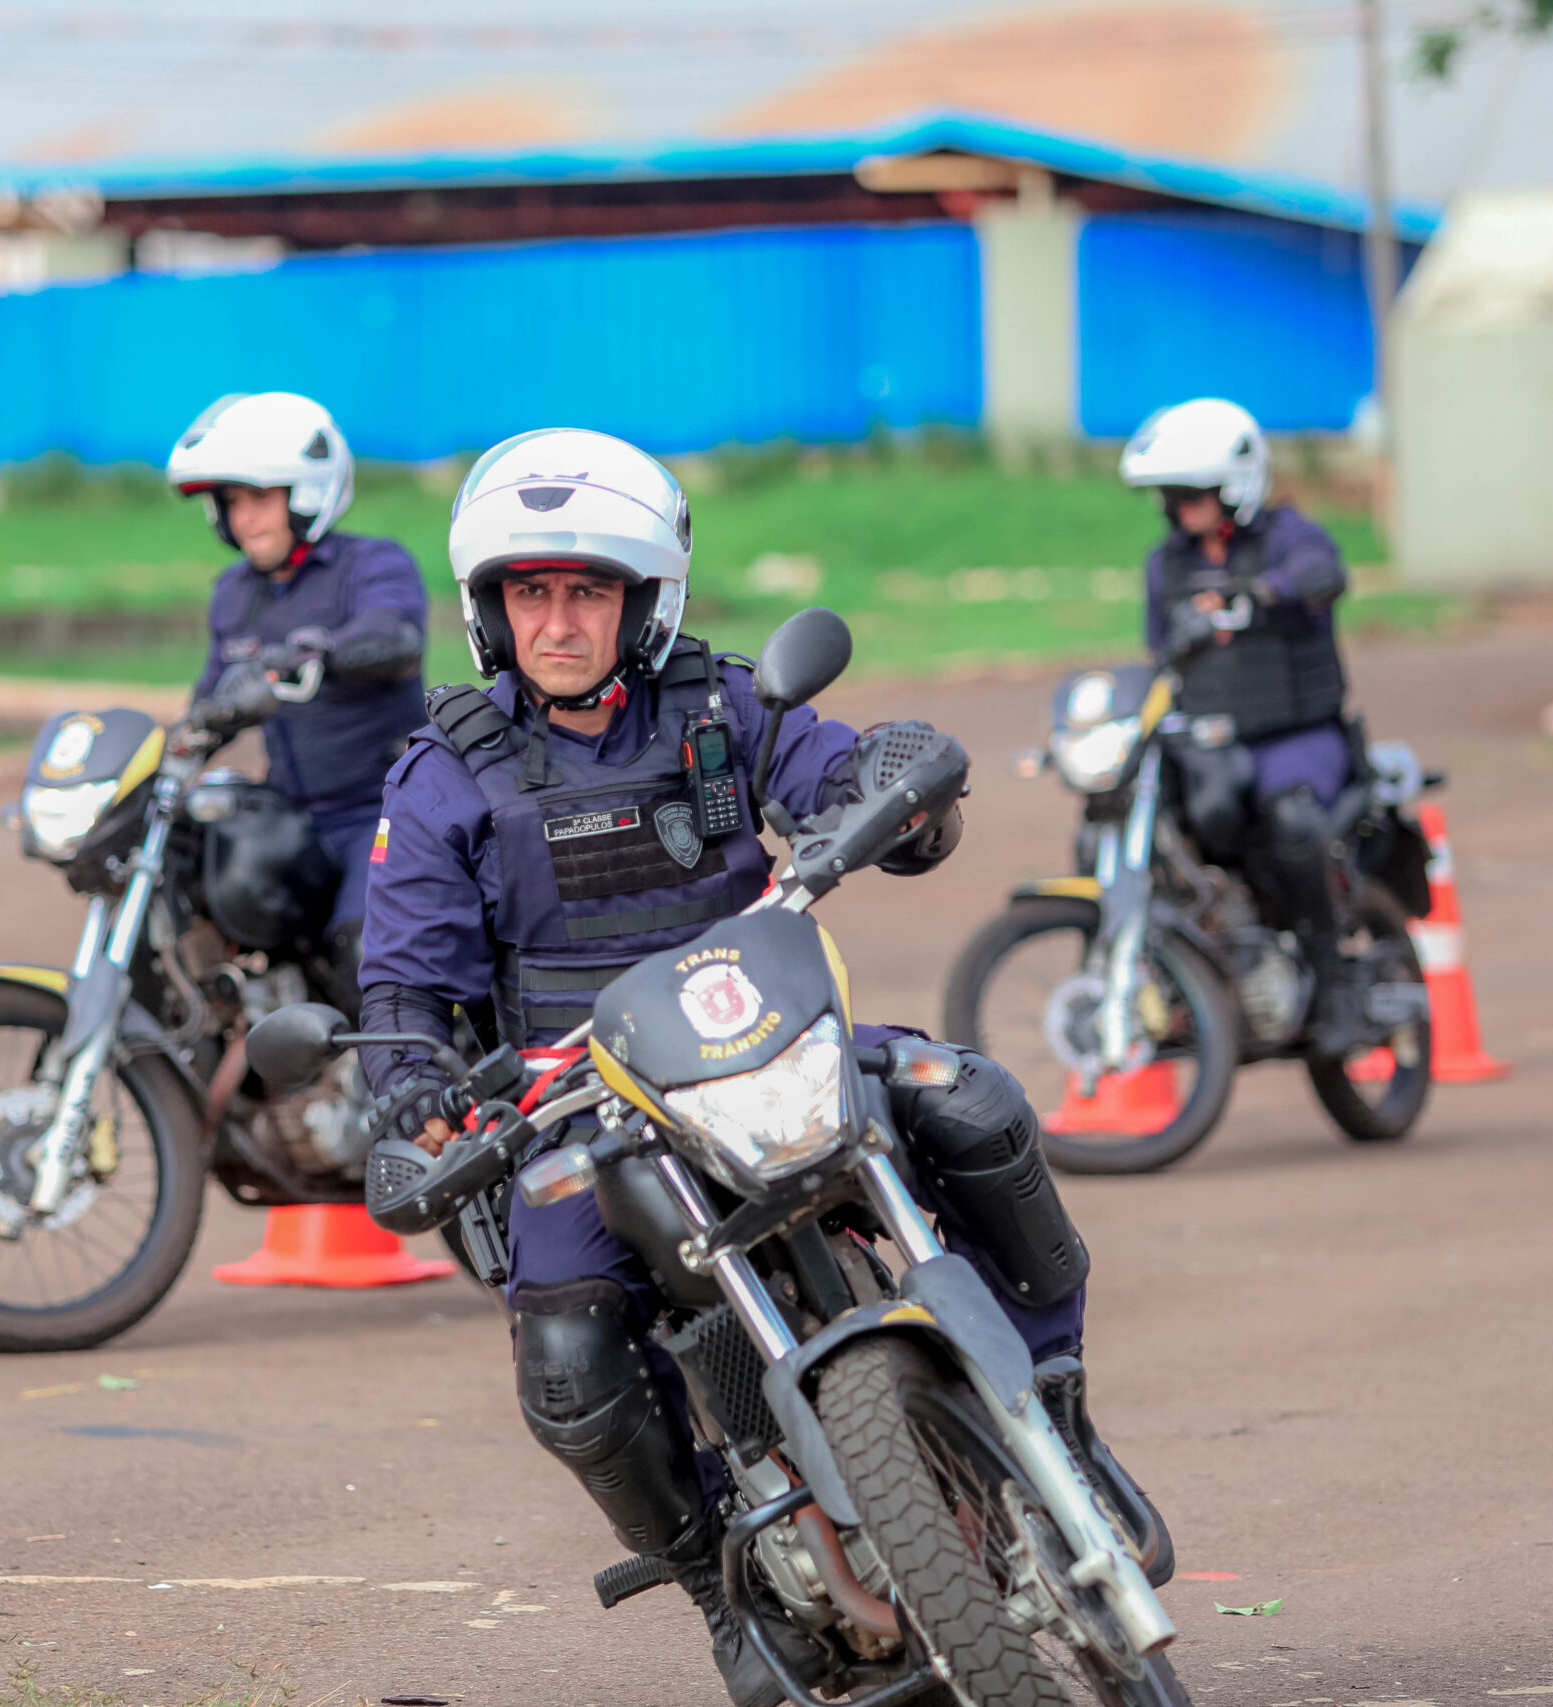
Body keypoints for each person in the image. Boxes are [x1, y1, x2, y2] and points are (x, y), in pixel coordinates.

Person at [357, 428, 1170, 1707]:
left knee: (973, 1102)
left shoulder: (727, 706)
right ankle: (714, 1592)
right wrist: (406, 1086)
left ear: (644, 600)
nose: (557, 621)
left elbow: (849, 783)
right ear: (488, 607)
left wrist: (899, 789)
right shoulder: (447, 774)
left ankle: (1053, 1401)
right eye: (530, 592)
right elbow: (405, 982)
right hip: (583, 1107)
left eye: (586, 590)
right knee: (566, 1352)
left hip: (767, 1034)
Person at [1120, 396, 1364, 1058]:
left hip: (1294, 734)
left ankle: (1335, 975)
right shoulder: (1164, 565)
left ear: (1235, 486)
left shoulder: (1288, 537)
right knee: (1123, 812)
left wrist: (1259, 593)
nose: (1182, 505)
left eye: (1195, 491)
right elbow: (1157, 655)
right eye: (1173, 494)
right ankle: (1162, 978)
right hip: (1208, 739)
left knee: (1290, 816)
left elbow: (1324, 573)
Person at [166, 392, 430, 1004]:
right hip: (291, 816)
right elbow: (210, 704)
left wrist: (319, 652)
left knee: (366, 957)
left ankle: (391, 1091)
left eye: (259, 498)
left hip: (382, 809)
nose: (243, 518)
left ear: (307, 494)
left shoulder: (372, 564)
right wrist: (167, 755)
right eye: (230, 502)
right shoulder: (232, 594)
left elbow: (394, 635)